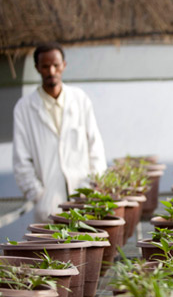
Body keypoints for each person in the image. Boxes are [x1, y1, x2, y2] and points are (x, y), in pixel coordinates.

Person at [13, 42, 107, 223]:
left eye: (56, 65)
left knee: (87, 244)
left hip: (84, 198)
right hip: (48, 204)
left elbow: (95, 147)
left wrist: (91, 186)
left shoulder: (80, 100)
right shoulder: (24, 108)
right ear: (37, 68)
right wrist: (38, 194)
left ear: (64, 65)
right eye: (46, 66)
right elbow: (20, 160)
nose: (51, 71)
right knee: (53, 249)